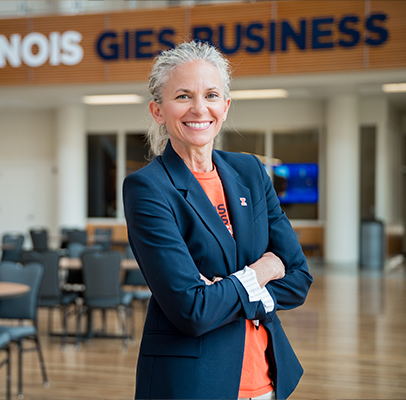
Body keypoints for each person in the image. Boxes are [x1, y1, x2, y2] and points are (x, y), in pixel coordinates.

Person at [122, 40, 313, 400]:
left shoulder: (250, 171)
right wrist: (260, 271)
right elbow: (192, 310)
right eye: (182, 96)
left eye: (211, 95)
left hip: (269, 381)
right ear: (158, 110)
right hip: (192, 384)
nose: (199, 108)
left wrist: (222, 290)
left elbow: (298, 278)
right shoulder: (147, 188)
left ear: (225, 107)